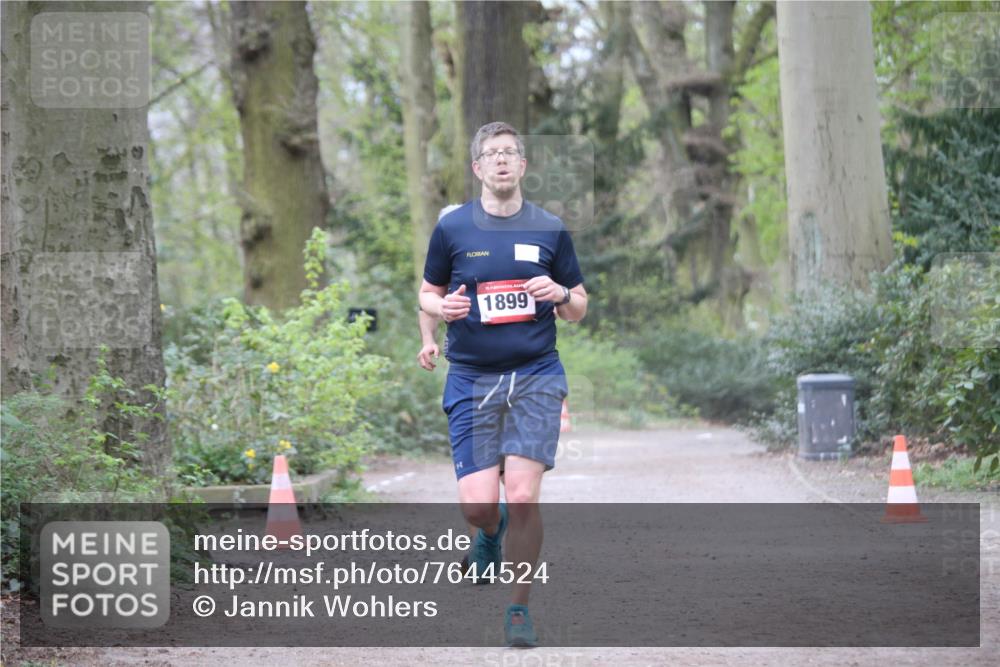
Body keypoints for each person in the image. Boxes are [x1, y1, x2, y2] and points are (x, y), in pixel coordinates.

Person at [417, 121, 587, 647]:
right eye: (492, 154)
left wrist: (559, 291)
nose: (502, 161)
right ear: (478, 168)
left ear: (523, 166)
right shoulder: (453, 230)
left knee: (523, 493)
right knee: (478, 506)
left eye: (511, 152)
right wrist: (439, 308)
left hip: (535, 374)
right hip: (471, 377)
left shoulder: (550, 229)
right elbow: (427, 292)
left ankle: (518, 608)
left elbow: (579, 307)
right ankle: (489, 531)